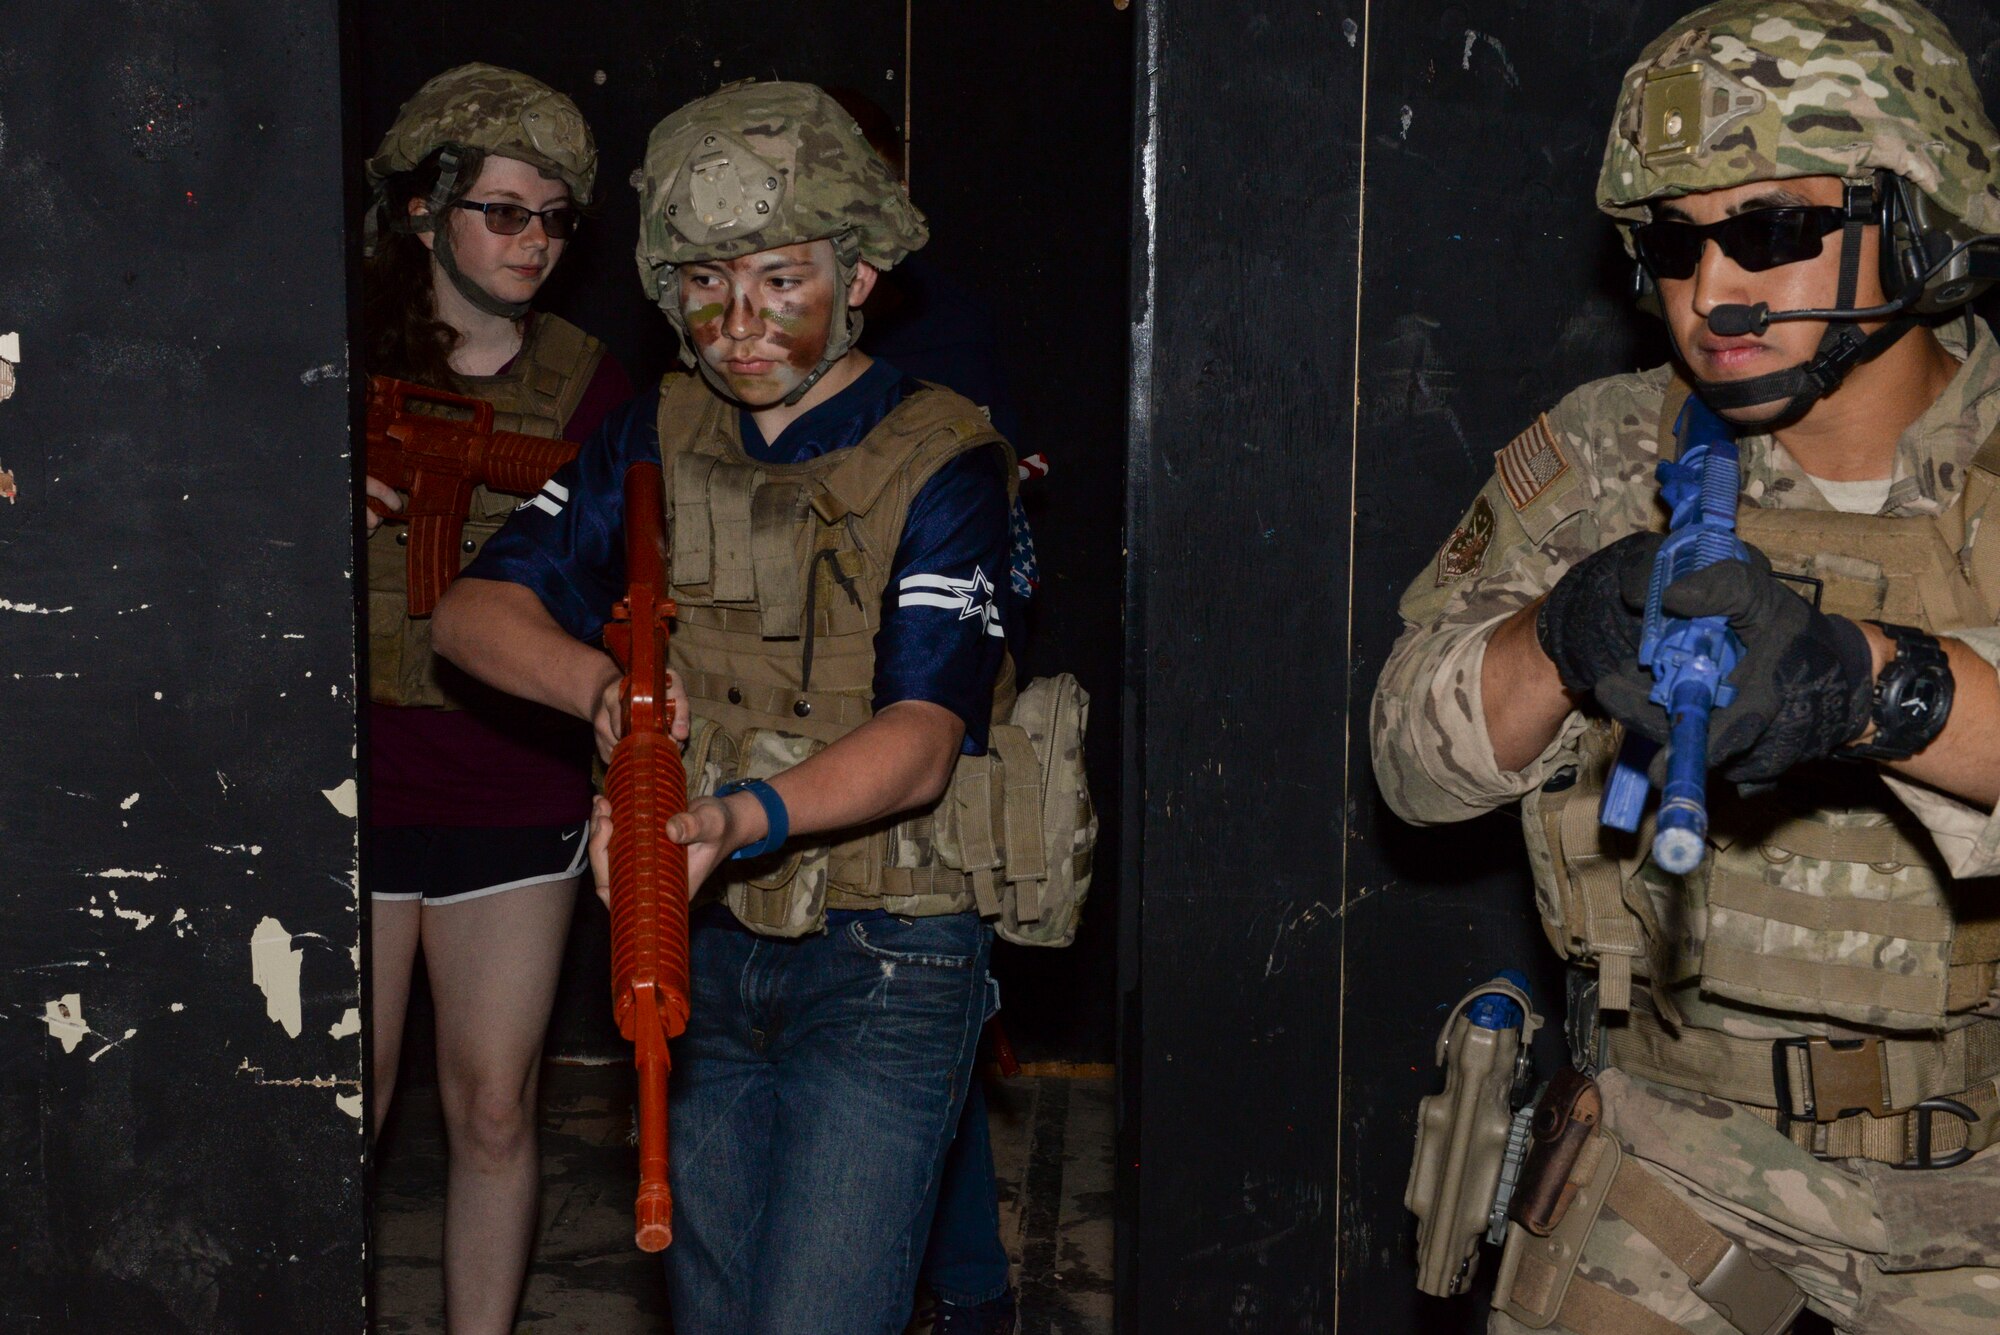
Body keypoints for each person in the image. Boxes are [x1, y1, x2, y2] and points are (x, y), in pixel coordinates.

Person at [1373, 2, 2000, 1331]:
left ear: (1919, 214)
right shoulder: (1606, 456)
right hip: (1675, 1162)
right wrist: (1564, 633)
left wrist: (1867, 681)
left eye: (1775, 230)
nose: (1717, 287)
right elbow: (1411, 771)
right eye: (1676, 240)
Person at [431, 80, 1028, 1335]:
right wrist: (603, 688)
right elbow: (471, 613)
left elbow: (921, 743)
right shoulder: (653, 433)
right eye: (703, 283)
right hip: (695, 934)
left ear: (857, 274)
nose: (735, 323)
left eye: (775, 280)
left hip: (883, 949)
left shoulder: (940, 456)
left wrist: (736, 817)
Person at [358, 63, 629, 1335]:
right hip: (340, 774)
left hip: (508, 776)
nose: (533, 241)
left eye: (556, 218)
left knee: (494, 1106)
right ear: (425, 209)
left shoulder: (590, 385)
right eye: (504, 211)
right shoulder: (328, 360)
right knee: (335, 1101)